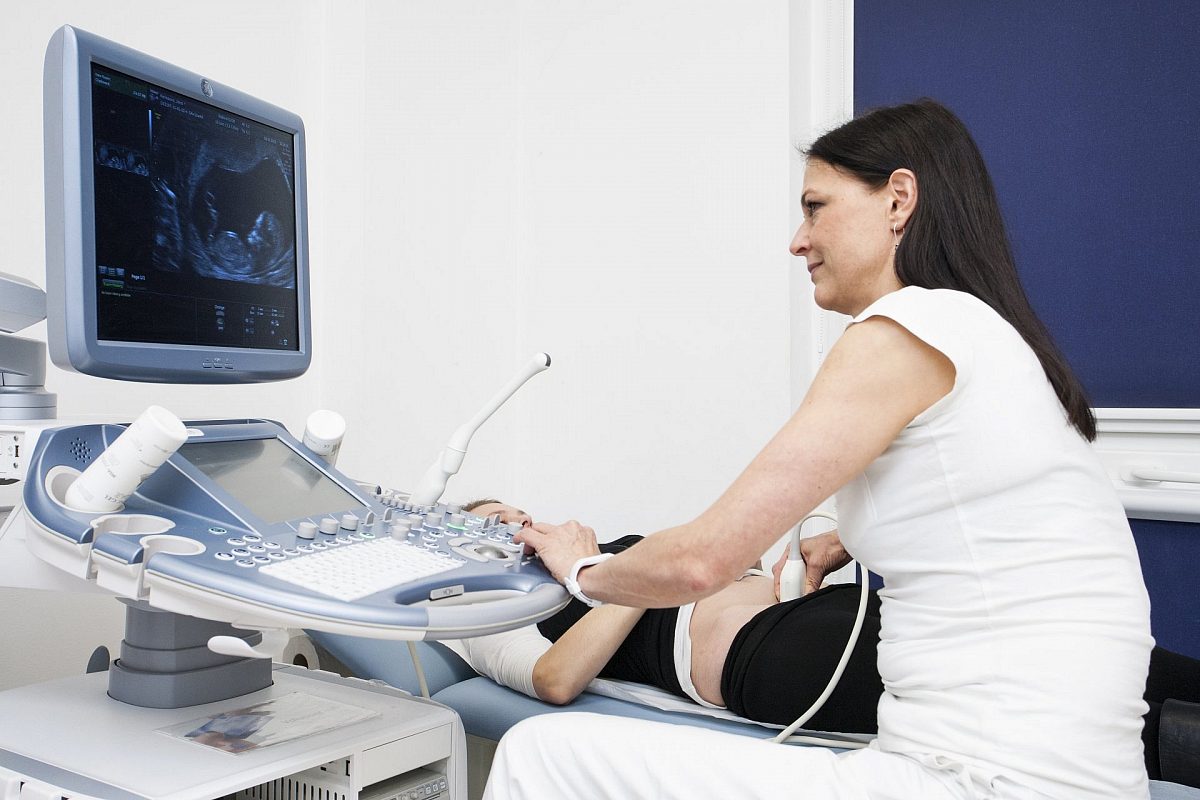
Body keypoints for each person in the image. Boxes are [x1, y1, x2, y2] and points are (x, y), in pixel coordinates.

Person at [482, 100, 1161, 800]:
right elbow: (989, 508)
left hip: (984, 779)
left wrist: (583, 569)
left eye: (815, 208)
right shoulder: (982, 331)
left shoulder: (902, 331)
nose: (797, 240)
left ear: (898, 199)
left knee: (540, 754)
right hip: (1051, 772)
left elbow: (699, 562)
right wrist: (848, 537)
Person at [460, 500, 1200, 775]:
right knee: (1017, 698)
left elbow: (715, 574)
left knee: (1057, 647)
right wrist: (634, 574)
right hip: (766, 658)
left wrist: (789, 568)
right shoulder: (492, 617)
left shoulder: (596, 557)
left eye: (521, 513)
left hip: (815, 612)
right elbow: (555, 680)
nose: (523, 526)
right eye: (498, 526)